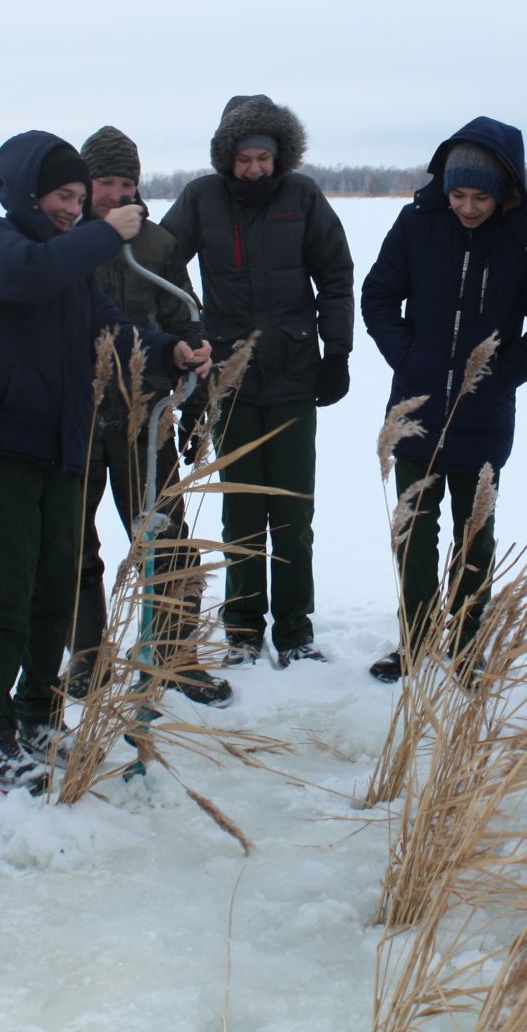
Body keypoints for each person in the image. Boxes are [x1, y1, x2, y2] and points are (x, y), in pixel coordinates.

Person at [0, 130, 212, 789]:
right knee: (8, 591)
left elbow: (114, 329)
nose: (72, 208)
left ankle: (39, 713)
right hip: (3, 448)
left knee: (55, 587)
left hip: (61, 448)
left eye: (77, 197)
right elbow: (31, 273)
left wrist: (169, 352)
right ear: (26, 193)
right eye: (62, 196)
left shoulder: (73, 268)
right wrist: (106, 231)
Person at [360, 118, 527, 681]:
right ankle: (416, 639)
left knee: (473, 534)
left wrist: (499, 376)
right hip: (415, 411)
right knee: (413, 532)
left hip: (484, 415)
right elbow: (378, 296)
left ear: (504, 190)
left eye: (481, 196)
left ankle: (469, 643)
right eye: (458, 195)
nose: (469, 207)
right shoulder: (416, 224)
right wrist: (407, 357)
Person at [160, 94, 355, 668]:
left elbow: (336, 275)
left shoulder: (304, 197)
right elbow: (164, 260)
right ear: (227, 156)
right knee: (242, 509)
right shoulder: (201, 197)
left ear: (279, 155)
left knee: (294, 511)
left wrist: (336, 350)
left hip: (295, 374)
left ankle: (295, 630)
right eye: (243, 158)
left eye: (263, 158)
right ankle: (243, 630)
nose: (253, 169)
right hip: (230, 375)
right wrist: (193, 326)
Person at [67, 126, 231, 707]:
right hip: (79, 423)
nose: (116, 193)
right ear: (85, 185)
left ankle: (175, 656)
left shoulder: (158, 245)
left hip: (147, 418)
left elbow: (187, 316)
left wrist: (195, 349)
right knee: (74, 544)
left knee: (168, 542)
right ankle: (88, 660)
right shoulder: (67, 242)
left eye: (126, 183)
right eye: (105, 182)